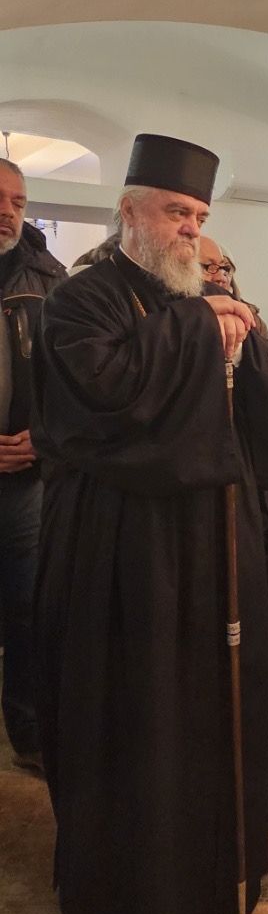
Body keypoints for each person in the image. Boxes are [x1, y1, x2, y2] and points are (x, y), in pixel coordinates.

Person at [31, 134, 268, 914]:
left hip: (214, 541)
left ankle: (218, 868)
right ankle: (130, 897)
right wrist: (198, 328)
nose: (189, 229)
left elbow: (259, 422)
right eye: (176, 212)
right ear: (130, 212)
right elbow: (102, 399)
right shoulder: (81, 301)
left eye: (199, 216)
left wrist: (247, 345)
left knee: (212, 698)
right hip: (122, 548)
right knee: (135, 708)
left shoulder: (201, 297)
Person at [0, 159, 65, 771]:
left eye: (18, 202)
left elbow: (73, 383)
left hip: (25, 475)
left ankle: (28, 728)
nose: (8, 212)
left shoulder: (50, 279)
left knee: (28, 607)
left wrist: (43, 438)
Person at [199, 236, 268, 336]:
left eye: (226, 269)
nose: (221, 277)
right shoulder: (183, 313)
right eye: (210, 267)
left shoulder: (253, 320)